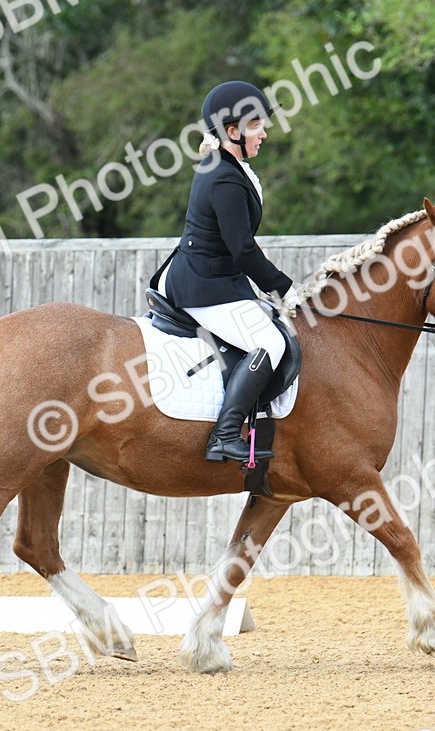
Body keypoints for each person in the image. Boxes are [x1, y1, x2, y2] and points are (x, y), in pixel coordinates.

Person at [154, 80, 299, 463]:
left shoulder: (230, 167)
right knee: (271, 342)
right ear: (232, 132)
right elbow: (243, 249)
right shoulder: (223, 177)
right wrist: (282, 286)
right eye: (256, 126)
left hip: (215, 276)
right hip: (201, 283)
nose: (264, 133)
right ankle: (224, 434)